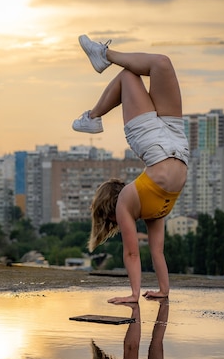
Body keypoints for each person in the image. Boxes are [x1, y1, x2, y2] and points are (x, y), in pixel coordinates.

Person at [72, 35, 190, 302]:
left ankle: (93, 114)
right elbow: (150, 253)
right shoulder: (142, 207)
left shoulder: (133, 198)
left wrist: (136, 295)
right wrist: (161, 291)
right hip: (175, 142)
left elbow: (136, 253)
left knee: (158, 64)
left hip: (158, 148)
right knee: (144, 70)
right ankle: (92, 114)